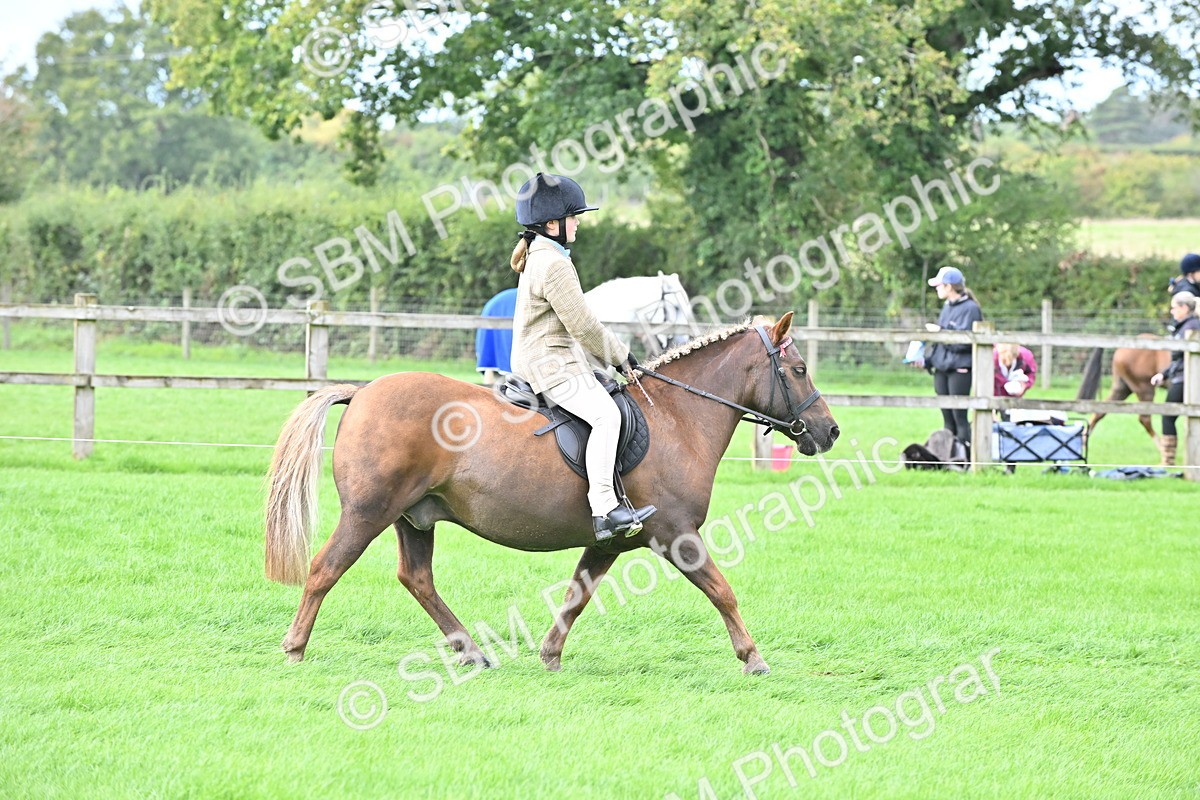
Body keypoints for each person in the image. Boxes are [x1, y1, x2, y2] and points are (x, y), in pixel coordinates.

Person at [509, 173, 656, 541]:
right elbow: (584, 327)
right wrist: (623, 358)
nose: (578, 223)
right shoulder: (554, 264)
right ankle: (605, 508)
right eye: (574, 216)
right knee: (606, 416)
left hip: (553, 358)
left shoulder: (541, 255)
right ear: (552, 224)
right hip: (550, 365)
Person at [922, 266, 983, 449]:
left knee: (959, 417)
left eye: (939, 285)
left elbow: (964, 343)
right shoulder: (947, 306)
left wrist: (940, 332)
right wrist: (927, 360)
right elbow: (943, 342)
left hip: (960, 369)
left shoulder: (971, 308)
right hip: (942, 369)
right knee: (947, 417)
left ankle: (965, 458)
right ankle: (950, 457)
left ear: (949, 286)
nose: (937, 289)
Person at [1150, 291, 1200, 467]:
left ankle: (1168, 461)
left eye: (1174, 308)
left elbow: (1180, 356)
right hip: (1182, 376)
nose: (1172, 312)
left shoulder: (1191, 327)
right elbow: (1178, 359)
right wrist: (1163, 374)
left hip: (1186, 379)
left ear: (1184, 308)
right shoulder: (1186, 326)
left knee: (1168, 416)